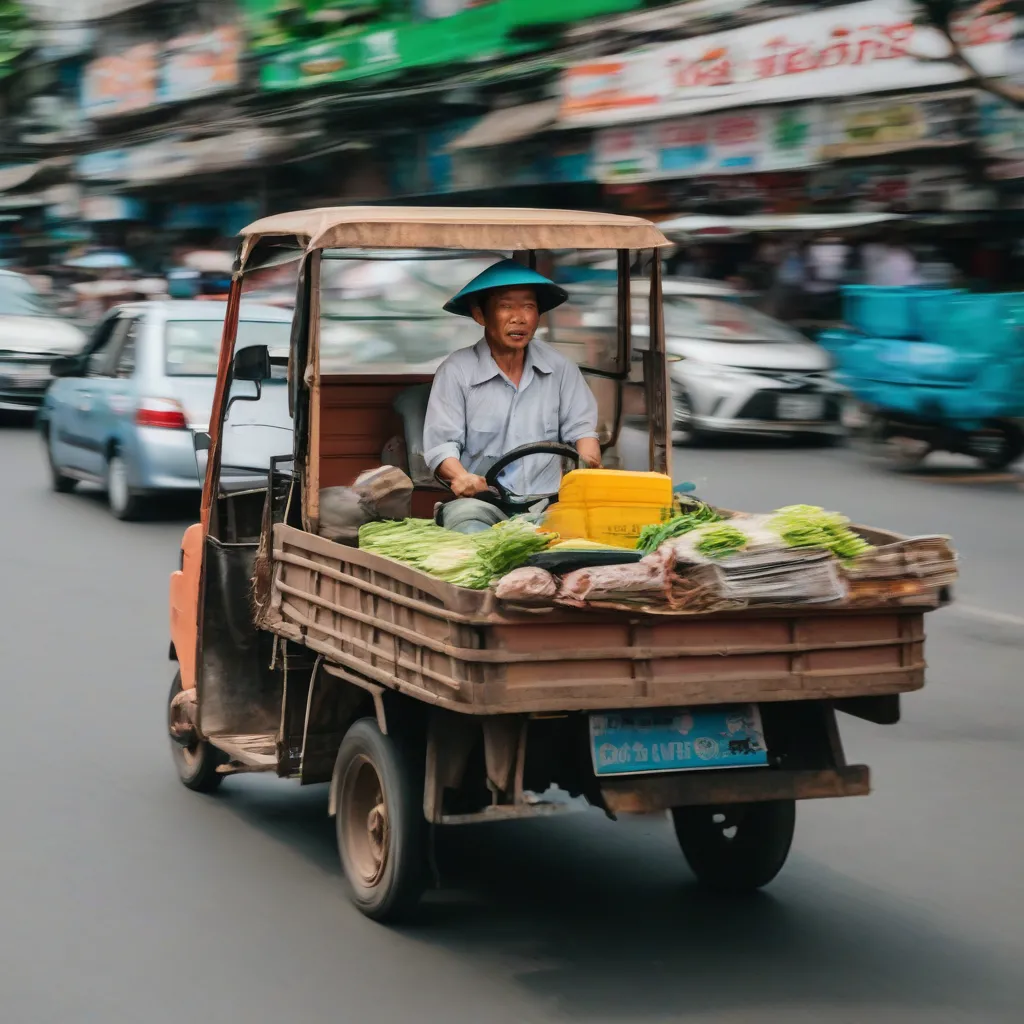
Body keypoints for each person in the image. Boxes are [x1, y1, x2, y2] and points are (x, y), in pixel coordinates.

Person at [422, 259, 601, 528]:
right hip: (482, 503)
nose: (519, 317)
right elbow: (441, 446)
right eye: (506, 306)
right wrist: (461, 477)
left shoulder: (560, 367)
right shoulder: (457, 371)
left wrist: (588, 468)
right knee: (469, 530)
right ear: (480, 315)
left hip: (551, 503)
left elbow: (583, 431)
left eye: (528, 307)